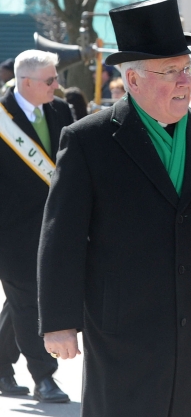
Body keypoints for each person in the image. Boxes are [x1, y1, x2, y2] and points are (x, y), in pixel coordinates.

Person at [37, 0, 191, 417]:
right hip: (123, 326)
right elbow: (61, 237)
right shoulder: (88, 139)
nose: (185, 81)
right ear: (134, 80)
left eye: (187, 68)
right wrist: (58, 321)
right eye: (171, 71)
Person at [0, 50, 74, 402]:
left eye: (56, 78)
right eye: (50, 80)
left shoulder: (61, 110)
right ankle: (44, 376)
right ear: (25, 82)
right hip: (10, 232)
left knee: (21, 300)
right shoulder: (1, 117)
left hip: (54, 226)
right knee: (30, 298)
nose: (57, 86)